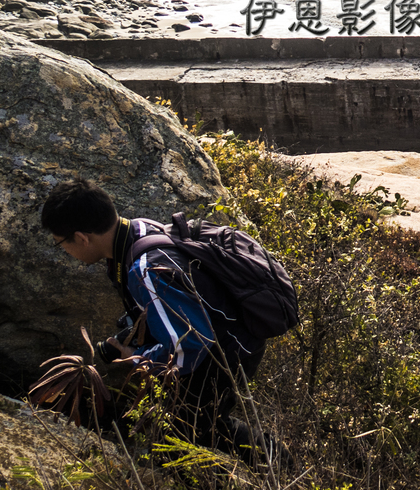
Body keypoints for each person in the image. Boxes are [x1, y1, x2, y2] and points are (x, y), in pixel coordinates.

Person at [40, 179, 268, 463]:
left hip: (223, 353)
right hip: (234, 335)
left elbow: (190, 345)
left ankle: (276, 475)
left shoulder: (144, 269)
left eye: (62, 244)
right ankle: (279, 470)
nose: (66, 252)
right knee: (204, 426)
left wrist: (135, 358)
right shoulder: (138, 230)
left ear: (82, 237)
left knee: (186, 437)